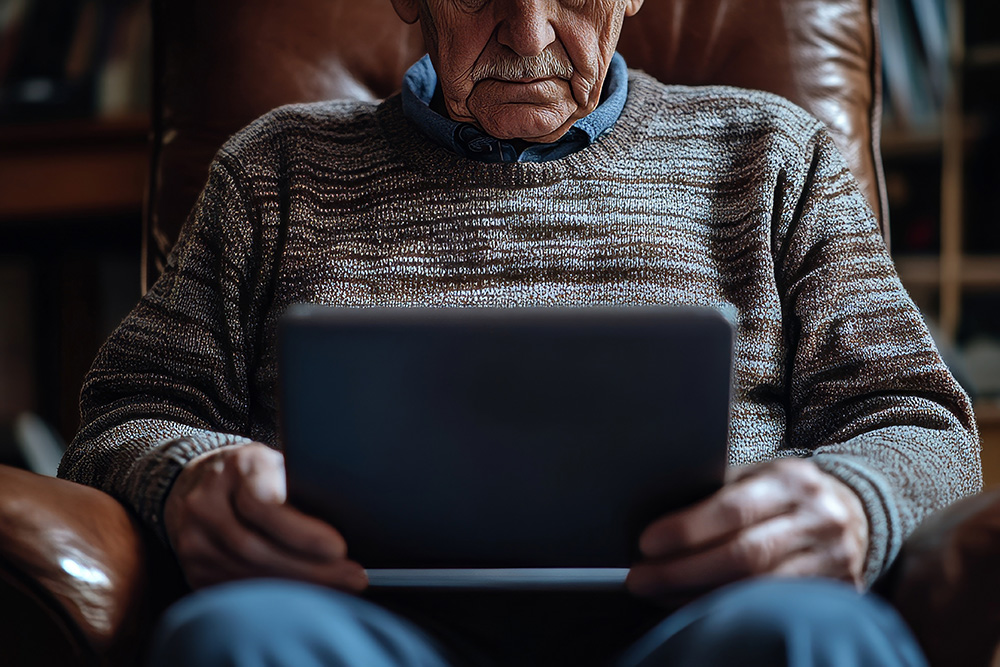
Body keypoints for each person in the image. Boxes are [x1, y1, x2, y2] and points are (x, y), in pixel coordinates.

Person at [59, 0, 980, 664]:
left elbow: (923, 422)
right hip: (359, 626)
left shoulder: (774, 157)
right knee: (236, 642)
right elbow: (121, 417)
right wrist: (188, 480)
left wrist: (855, 501)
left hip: (698, 623)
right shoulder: (274, 170)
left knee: (814, 636)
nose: (530, 35)